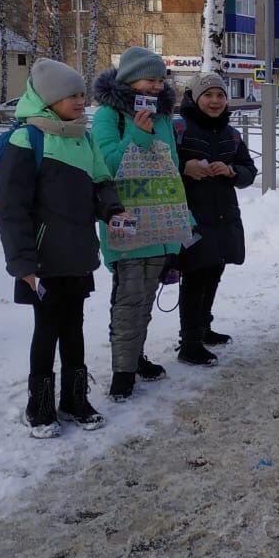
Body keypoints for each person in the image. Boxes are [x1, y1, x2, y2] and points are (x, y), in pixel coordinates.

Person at [0, 59, 128, 438]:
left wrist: (112, 209)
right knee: (47, 328)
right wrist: (22, 262)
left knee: (74, 327)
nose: (80, 101)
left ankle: (74, 399)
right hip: (42, 260)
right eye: (72, 95)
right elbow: (11, 208)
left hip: (78, 253)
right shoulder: (28, 139)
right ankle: (39, 407)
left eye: (83, 94)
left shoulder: (82, 137)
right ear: (50, 98)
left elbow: (101, 181)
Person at [92, 47, 191, 402]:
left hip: (161, 222)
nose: (156, 86)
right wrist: (135, 134)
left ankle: (134, 359)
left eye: (160, 80)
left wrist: (184, 216)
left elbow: (170, 169)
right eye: (150, 79)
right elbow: (106, 167)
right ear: (129, 79)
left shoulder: (163, 117)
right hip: (127, 221)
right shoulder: (109, 116)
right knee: (128, 300)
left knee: (146, 298)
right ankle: (122, 372)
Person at [176, 74, 257, 362]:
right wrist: (185, 167)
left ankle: (204, 327)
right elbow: (161, 163)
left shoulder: (231, 134)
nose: (215, 101)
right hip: (192, 216)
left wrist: (233, 171)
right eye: (208, 95)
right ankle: (190, 343)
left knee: (214, 271)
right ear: (196, 98)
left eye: (220, 95)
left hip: (224, 215)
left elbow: (249, 170)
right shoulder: (180, 129)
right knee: (195, 276)